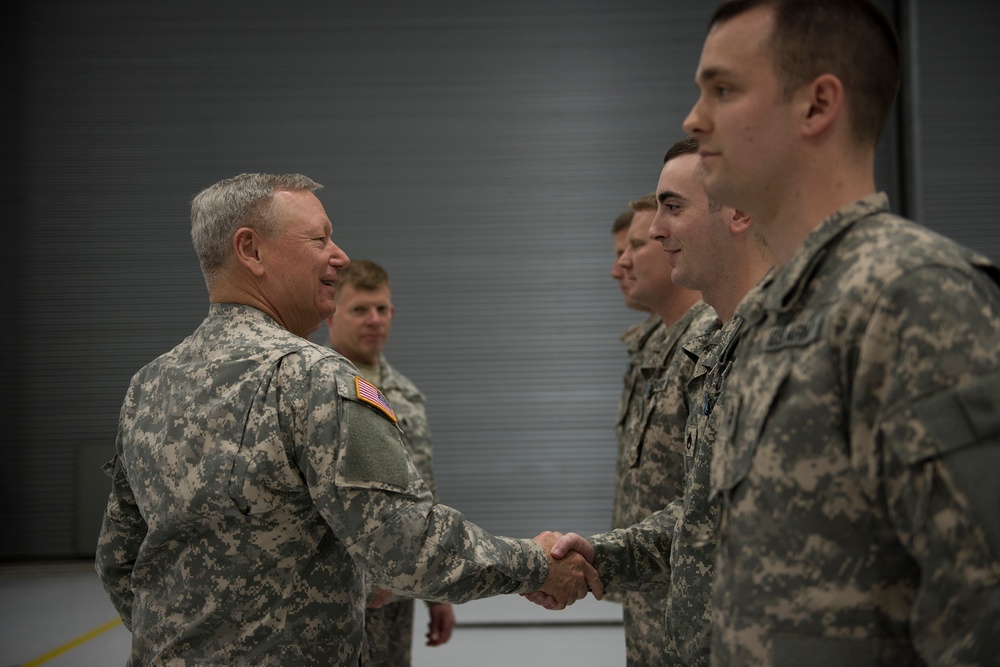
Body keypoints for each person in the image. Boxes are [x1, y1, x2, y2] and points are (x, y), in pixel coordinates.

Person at [551, 1, 1000, 664]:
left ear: (817, 105)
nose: (693, 118)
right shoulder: (761, 323)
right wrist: (610, 553)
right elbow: (710, 525)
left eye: (724, 89)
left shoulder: (910, 294)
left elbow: (983, 602)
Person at [95, 172, 602, 665]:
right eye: (320, 239)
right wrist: (535, 564)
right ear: (250, 250)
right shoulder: (311, 377)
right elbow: (405, 546)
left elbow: (120, 559)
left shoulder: (150, 384)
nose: (340, 257)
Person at [530, 136, 773, 666]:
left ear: (738, 213)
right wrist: (601, 555)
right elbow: (705, 511)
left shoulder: (788, 341)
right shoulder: (720, 347)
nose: (656, 230)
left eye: (673, 208)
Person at [325, 259, 454, 666]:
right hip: (338, 598)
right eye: (359, 309)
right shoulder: (316, 390)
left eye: (382, 309)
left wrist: (437, 591)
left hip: (399, 595)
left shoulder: (407, 395)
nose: (374, 319)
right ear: (331, 314)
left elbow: (424, 498)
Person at [613, 194, 716, 665]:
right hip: (653, 599)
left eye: (633, 247)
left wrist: (603, 558)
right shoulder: (659, 347)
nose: (620, 266)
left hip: (694, 607)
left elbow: (706, 500)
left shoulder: (711, 343)